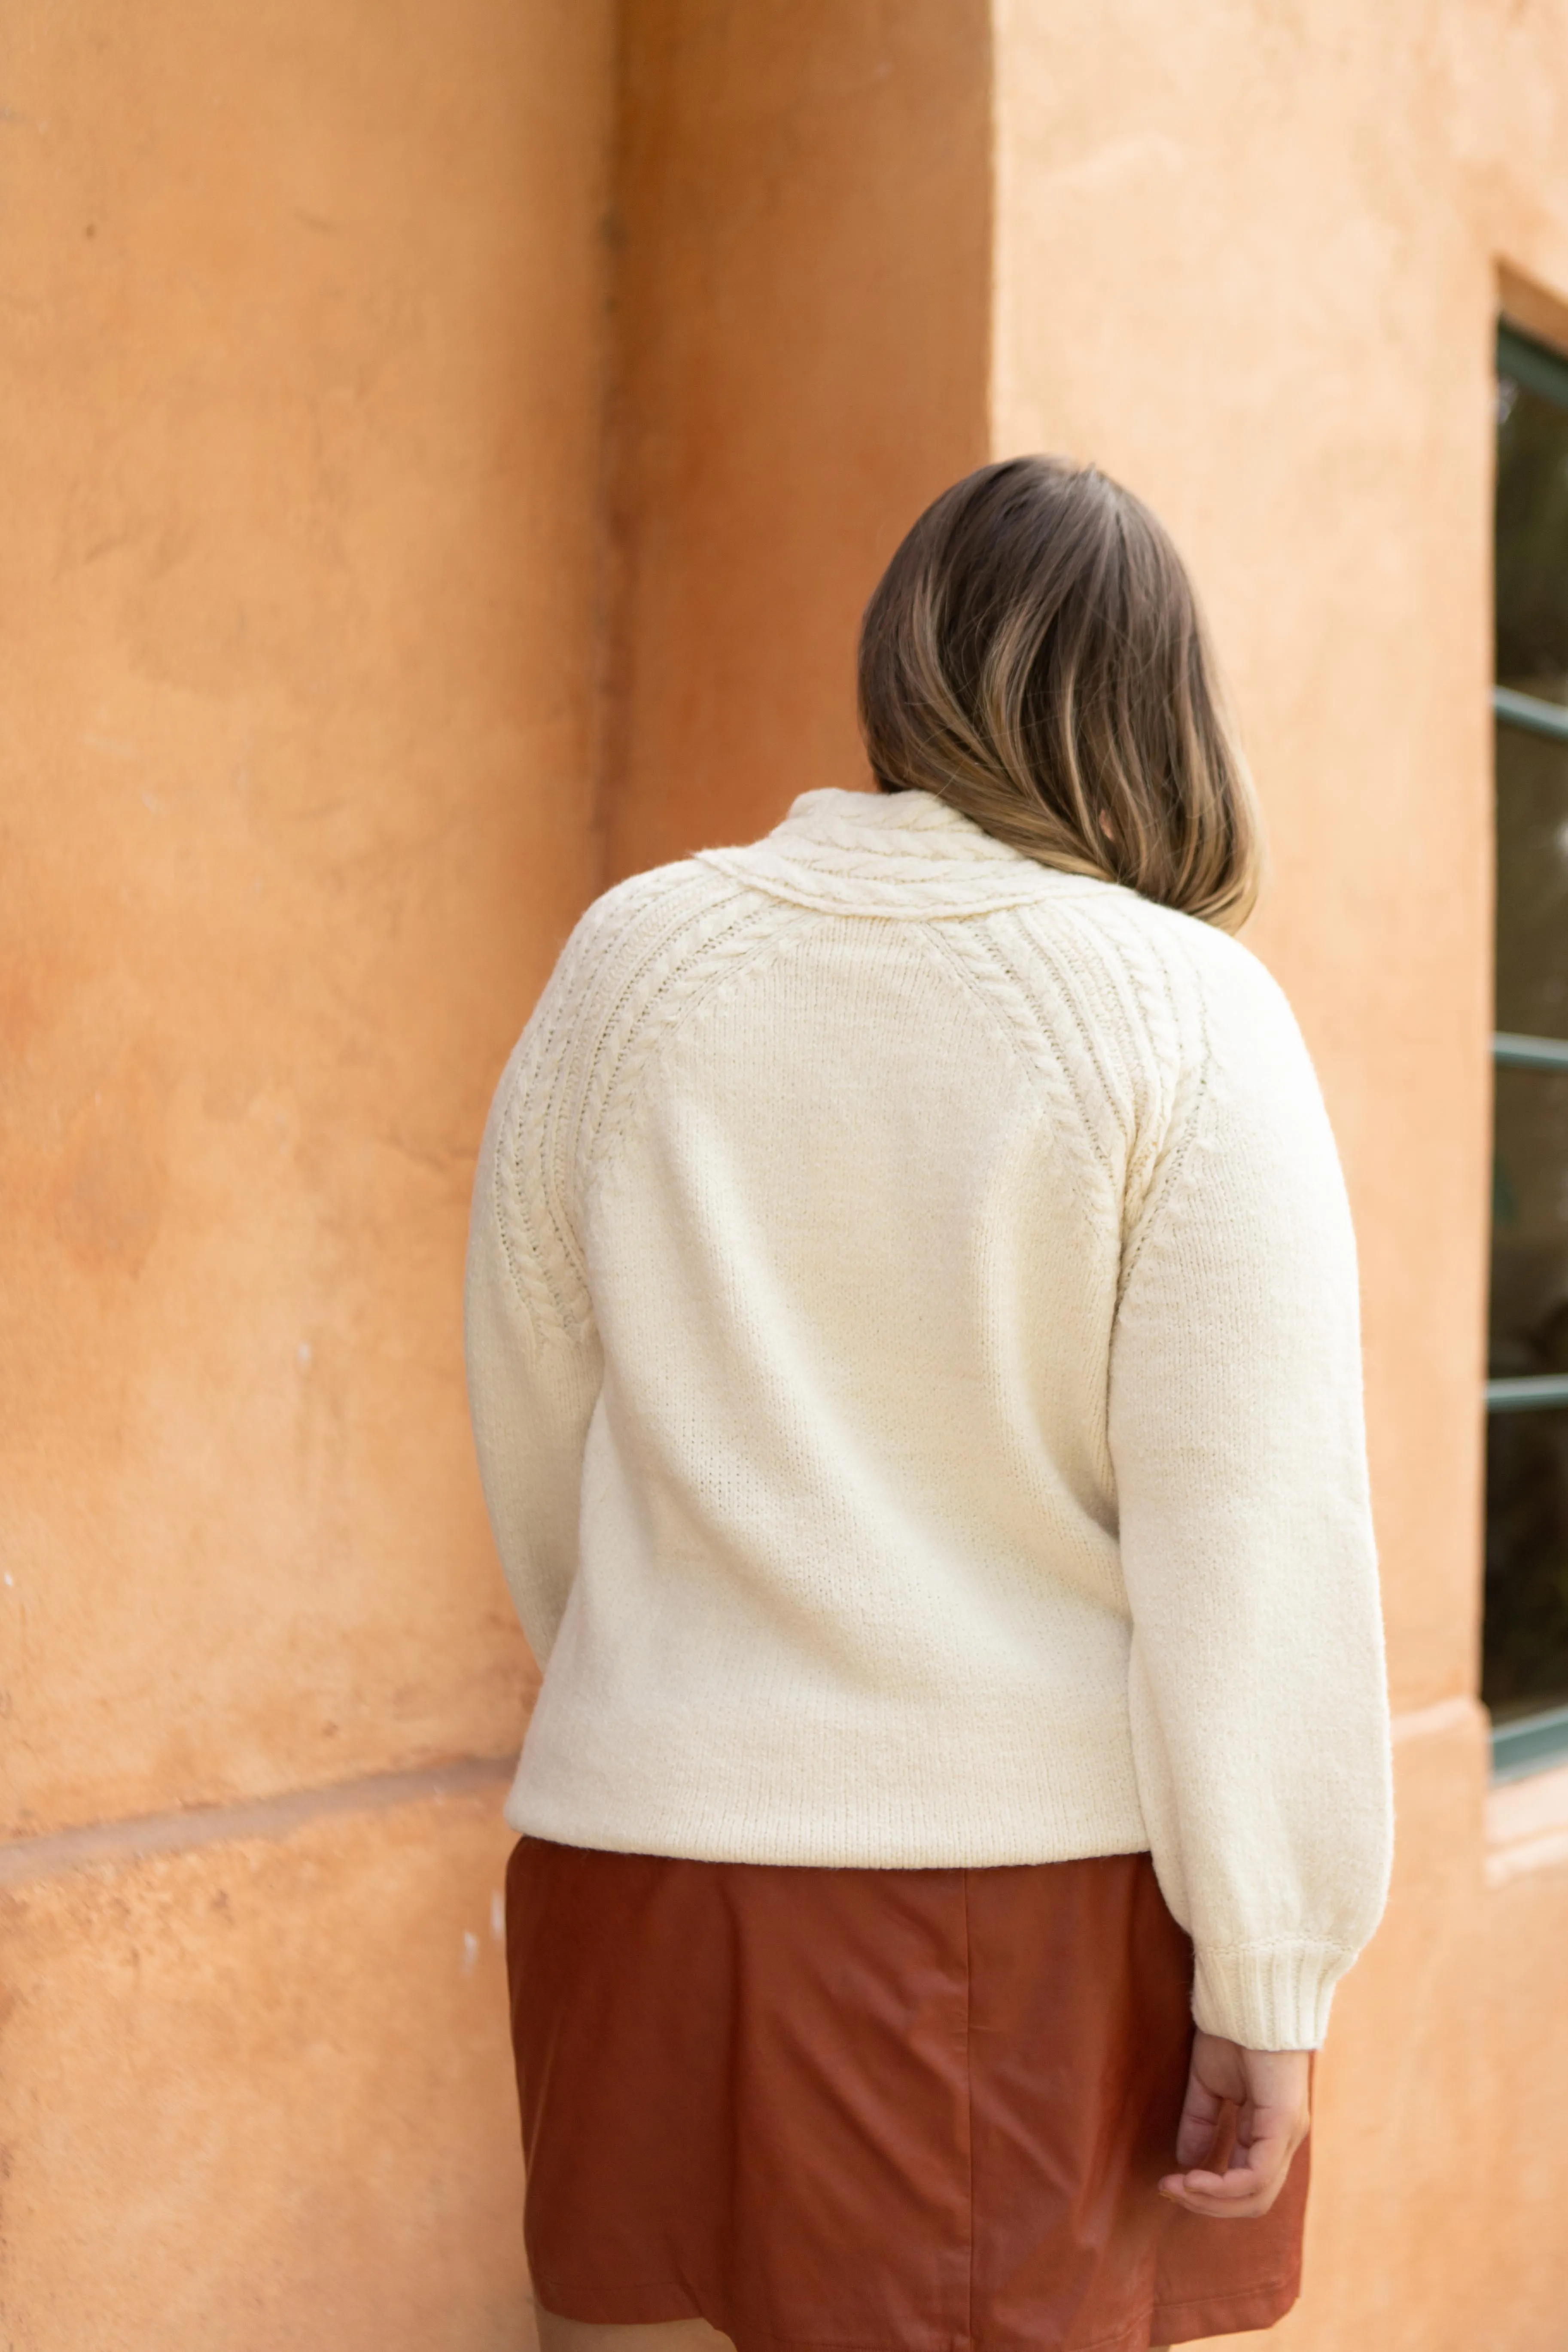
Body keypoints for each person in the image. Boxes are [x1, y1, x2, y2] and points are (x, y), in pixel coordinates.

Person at [465, 456, 1394, 2352]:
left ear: (903, 671)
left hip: (631, 1876)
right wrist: (1271, 1966)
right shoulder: (1189, 1015)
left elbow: (533, 1416)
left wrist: (671, 1669)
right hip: (994, 1925)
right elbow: (1257, 1535)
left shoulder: (634, 960)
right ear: (1159, 710)